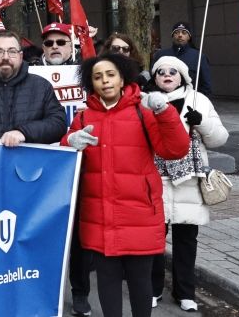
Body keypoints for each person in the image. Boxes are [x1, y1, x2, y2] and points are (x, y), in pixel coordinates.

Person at [62, 53, 189, 317]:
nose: (105, 81)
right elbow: (67, 162)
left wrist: (165, 112)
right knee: (107, 283)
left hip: (139, 213)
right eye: (97, 77)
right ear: (91, 83)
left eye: (110, 75)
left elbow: (176, 149)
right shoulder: (84, 118)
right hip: (98, 215)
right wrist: (69, 142)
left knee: (140, 282)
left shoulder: (144, 113)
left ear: (122, 79)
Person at [147, 56, 229, 312]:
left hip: (189, 182)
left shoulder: (198, 100)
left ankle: (185, 292)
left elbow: (219, 139)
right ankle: (153, 289)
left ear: (183, 76)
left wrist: (201, 121)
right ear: (155, 77)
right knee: (153, 240)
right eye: (161, 71)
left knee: (186, 241)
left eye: (174, 71)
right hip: (155, 178)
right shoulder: (145, 102)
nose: (167, 75)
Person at [152, 21, 212, 96]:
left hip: (189, 101)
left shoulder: (199, 56)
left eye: (184, 33)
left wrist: (199, 102)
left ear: (189, 37)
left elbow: (206, 85)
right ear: (172, 36)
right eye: (176, 32)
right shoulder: (160, 55)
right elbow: (153, 80)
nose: (180, 35)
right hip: (165, 102)